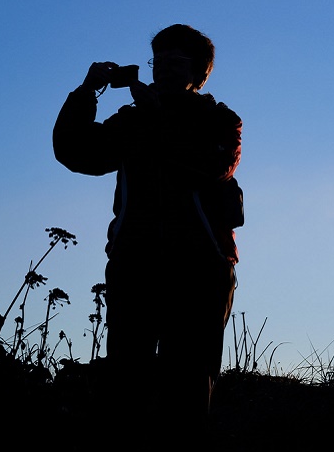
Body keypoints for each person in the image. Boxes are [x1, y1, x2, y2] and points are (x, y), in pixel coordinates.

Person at [52, 24, 242, 441]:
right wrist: (87, 92)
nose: (164, 71)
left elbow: (212, 167)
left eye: (176, 62)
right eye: (159, 62)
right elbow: (75, 151)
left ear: (199, 71)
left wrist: (157, 119)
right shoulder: (132, 121)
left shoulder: (219, 121)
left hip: (200, 267)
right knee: (125, 379)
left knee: (189, 381)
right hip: (135, 261)